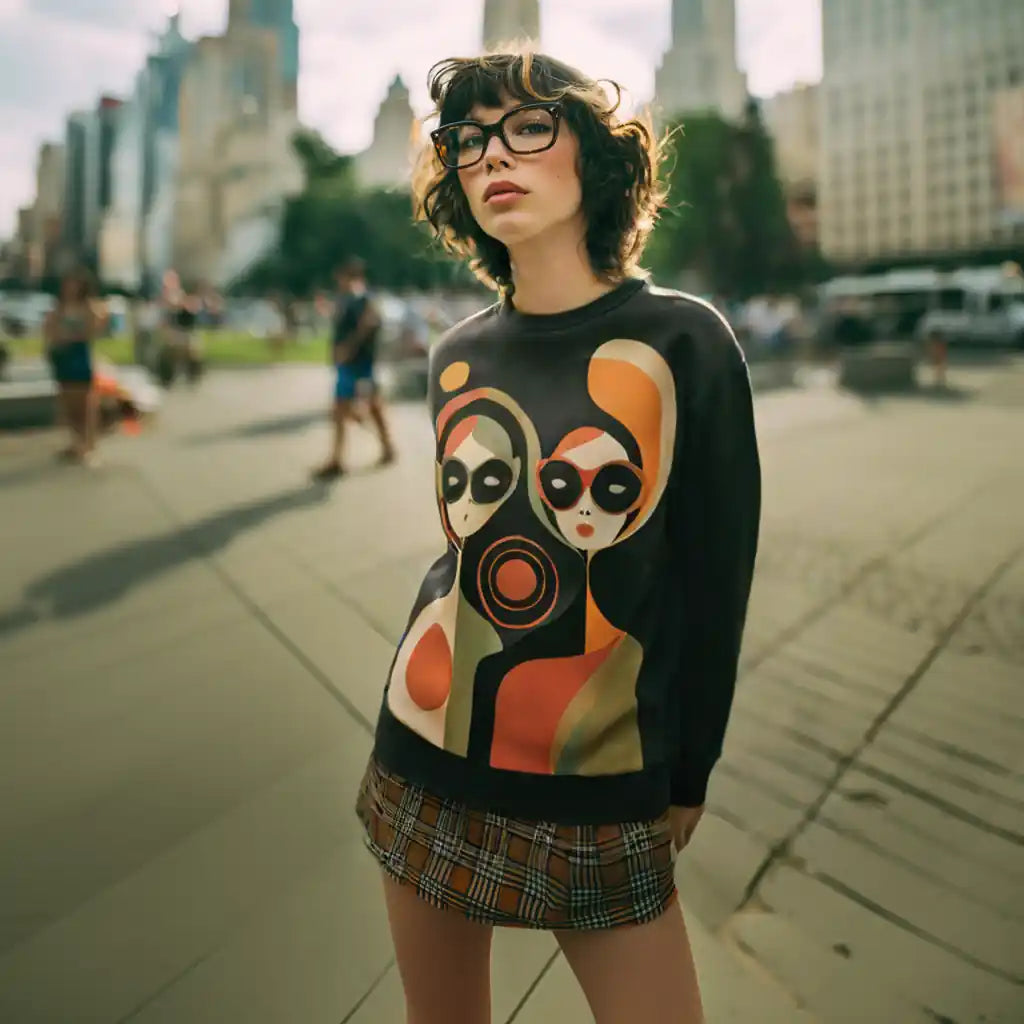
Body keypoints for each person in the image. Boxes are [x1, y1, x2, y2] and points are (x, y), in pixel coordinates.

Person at [353, 48, 761, 1024]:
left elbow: (716, 580)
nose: (492, 153)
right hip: (425, 760)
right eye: (467, 139)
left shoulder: (684, 341)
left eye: (527, 126)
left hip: (601, 781)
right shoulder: (454, 356)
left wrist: (689, 767)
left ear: (592, 154)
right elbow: (468, 561)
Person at [313, 258, 396, 480]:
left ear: (352, 277)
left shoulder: (363, 299)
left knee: (353, 407)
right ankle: (384, 448)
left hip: (358, 363)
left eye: (342, 277)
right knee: (359, 407)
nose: (339, 282)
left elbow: (370, 323)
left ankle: (338, 460)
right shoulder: (348, 299)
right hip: (352, 364)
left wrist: (349, 347)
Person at [43, 267, 107, 465]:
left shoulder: (88, 307)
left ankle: (88, 443)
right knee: (67, 401)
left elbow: (93, 328)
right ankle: (75, 441)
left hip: (79, 355)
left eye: (74, 284)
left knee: (84, 402)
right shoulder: (59, 307)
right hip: (62, 355)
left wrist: (68, 336)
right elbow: (49, 327)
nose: (70, 288)